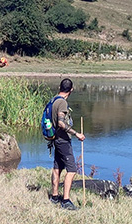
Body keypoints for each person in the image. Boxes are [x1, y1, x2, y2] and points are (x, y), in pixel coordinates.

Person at [49, 78, 85, 211]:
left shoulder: (53, 100)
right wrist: (77, 134)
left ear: (60, 87)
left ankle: (54, 196)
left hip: (56, 138)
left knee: (57, 167)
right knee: (72, 170)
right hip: (63, 140)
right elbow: (61, 123)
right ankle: (66, 200)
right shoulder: (62, 103)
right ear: (71, 90)